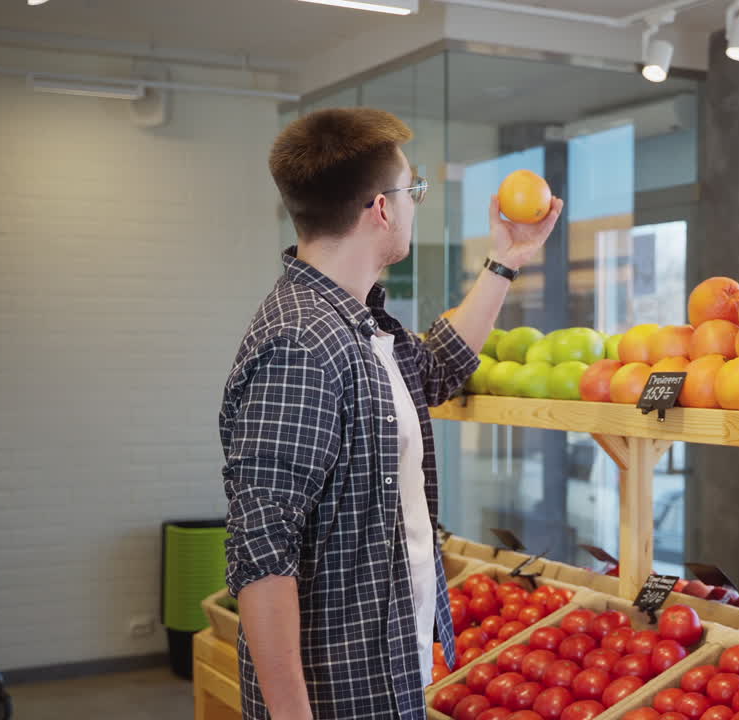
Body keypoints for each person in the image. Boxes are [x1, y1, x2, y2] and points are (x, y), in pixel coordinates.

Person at [218, 108, 562, 720]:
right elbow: (261, 556)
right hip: (339, 693)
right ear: (381, 208)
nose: (415, 205)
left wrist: (505, 261)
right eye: (415, 192)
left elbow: (435, 368)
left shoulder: (360, 323)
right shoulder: (301, 344)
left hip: (390, 665)